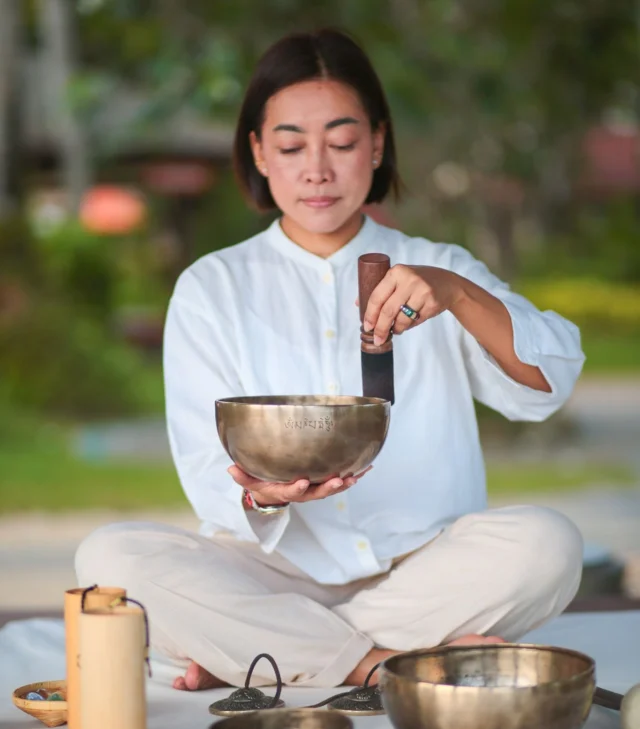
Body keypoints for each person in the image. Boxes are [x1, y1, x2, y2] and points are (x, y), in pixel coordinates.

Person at [75, 28, 586, 692]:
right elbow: (207, 465)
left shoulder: (438, 269)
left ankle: (263, 652)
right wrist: (262, 493)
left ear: (376, 144)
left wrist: (461, 295)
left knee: (548, 545)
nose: (316, 169)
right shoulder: (212, 286)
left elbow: (548, 383)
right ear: (259, 152)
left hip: (422, 570)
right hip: (268, 570)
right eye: (291, 146)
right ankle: (383, 663)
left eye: (341, 144)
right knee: (111, 558)